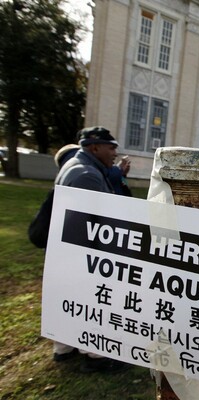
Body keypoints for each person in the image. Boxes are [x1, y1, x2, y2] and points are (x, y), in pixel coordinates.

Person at [53, 126, 128, 373]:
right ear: (94, 147)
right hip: (83, 253)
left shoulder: (81, 167)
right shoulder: (87, 175)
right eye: (111, 146)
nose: (115, 152)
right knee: (91, 302)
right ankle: (96, 356)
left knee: (70, 299)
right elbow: (94, 223)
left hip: (69, 252)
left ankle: (63, 348)